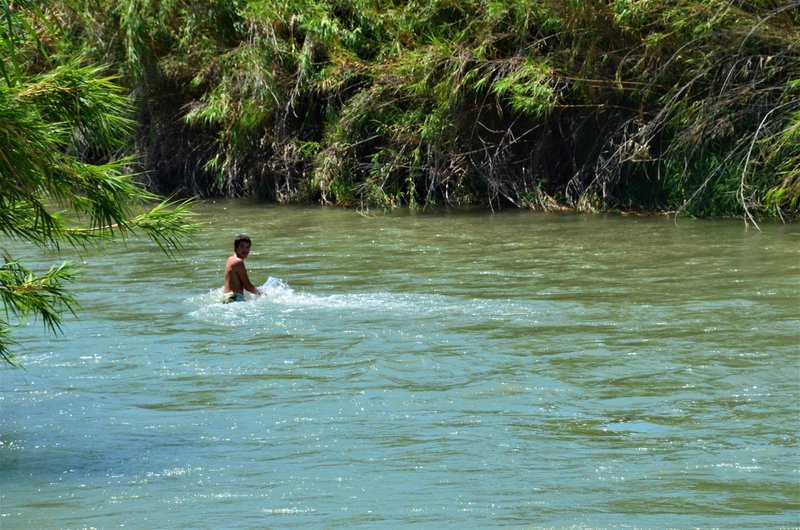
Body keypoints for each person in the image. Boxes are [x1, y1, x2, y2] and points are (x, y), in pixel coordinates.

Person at [222, 234, 262, 303]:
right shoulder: (238, 262)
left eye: (248, 247)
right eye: (242, 247)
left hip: (227, 298)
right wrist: (262, 294)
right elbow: (248, 287)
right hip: (235, 299)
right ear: (236, 247)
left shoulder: (230, 259)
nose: (245, 250)